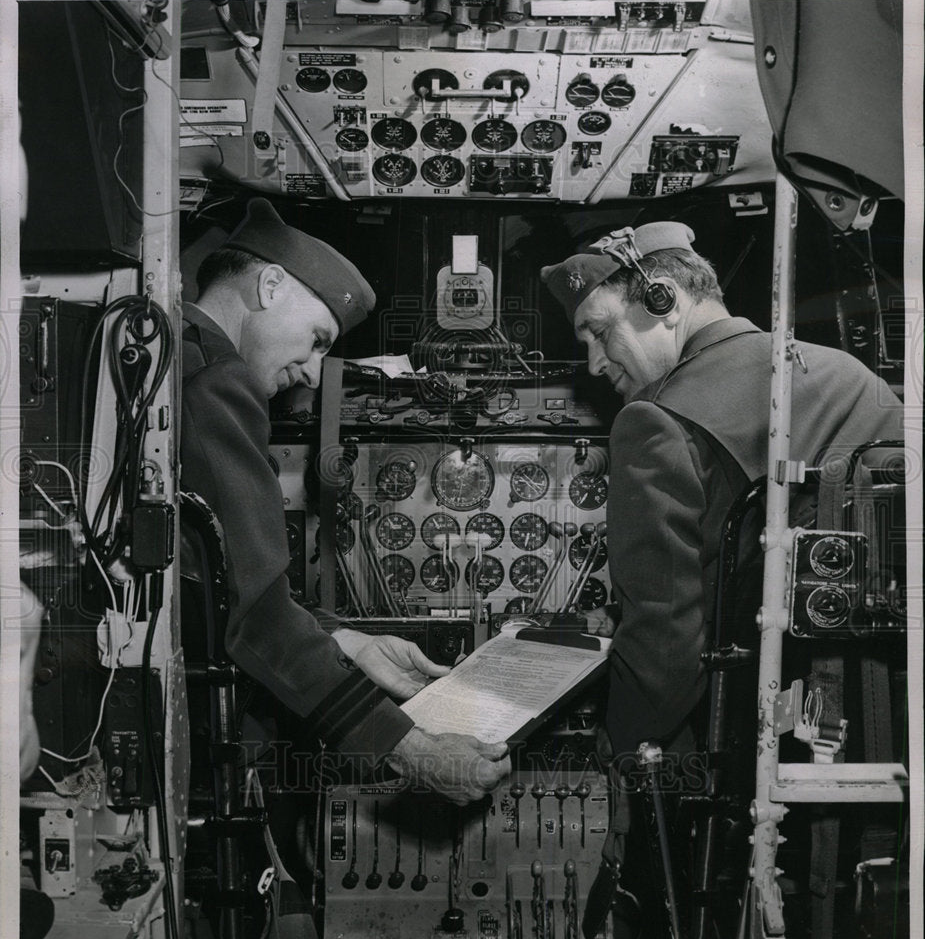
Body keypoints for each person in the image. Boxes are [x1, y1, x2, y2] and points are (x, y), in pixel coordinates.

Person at [182, 198, 510, 804]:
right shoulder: (214, 380)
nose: (312, 372)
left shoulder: (170, 349)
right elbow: (255, 615)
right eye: (316, 340)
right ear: (270, 285)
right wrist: (412, 751)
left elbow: (222, 584)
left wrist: (352, 642)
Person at [541, 220, 904, 760]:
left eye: (599, 331)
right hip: (885, 721)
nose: (595, 362)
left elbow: (664, 651)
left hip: (752, 735)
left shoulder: (654, 422)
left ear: (661, 298)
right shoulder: (854, 378)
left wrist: (620, 743)